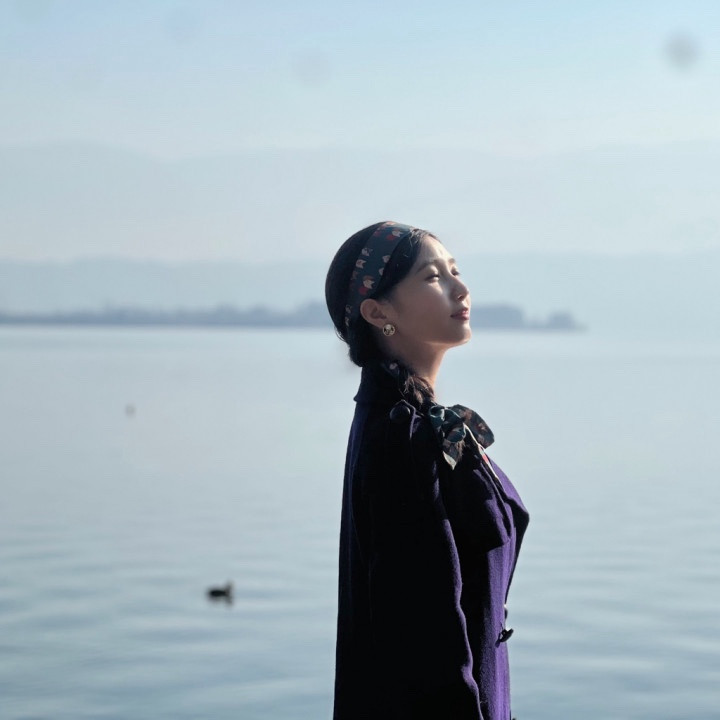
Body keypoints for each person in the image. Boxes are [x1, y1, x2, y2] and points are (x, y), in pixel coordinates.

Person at [325, 221, 530, 720]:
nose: (460, 288)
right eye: (433, 277)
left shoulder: (411, 421)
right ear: (378, 312)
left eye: (455, 270)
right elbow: (421, 637)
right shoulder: (401, 437)